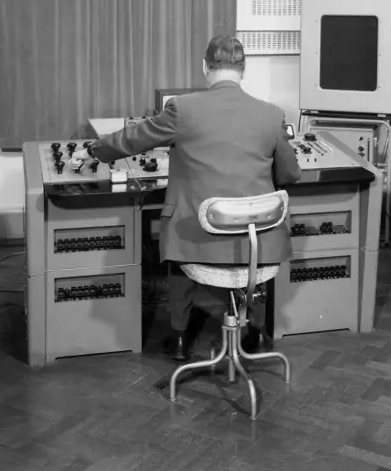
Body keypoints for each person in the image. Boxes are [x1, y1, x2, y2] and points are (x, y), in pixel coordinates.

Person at [71, 35, 301, 361]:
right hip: (256, 245)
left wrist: (94, 149)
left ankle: (179, 338)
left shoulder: (183, 109)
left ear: (205, 67)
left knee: (180, 242)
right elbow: (291, 175)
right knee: (252, 250)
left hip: (198, 241)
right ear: (243, 69)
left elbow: (134, 139)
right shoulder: (271, 114)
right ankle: (253, 334)